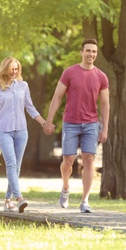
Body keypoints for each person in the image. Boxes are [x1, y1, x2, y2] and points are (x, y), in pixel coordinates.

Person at [43, 38, 110, 213]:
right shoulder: (69, 72)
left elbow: (105, 104)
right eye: (88, 51)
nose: (91, 54)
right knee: (68, 161)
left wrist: (106, 128)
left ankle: (85, 201)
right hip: (70, 123)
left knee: (89, 159)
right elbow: (57, 97)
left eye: (94, 51)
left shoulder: (101, 76)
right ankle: (65, 188)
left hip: (91, 124)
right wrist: (49, 120)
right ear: (81, 52)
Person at [0, 57, 48, 213]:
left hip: (21, 131)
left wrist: (44, 123)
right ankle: (19, 198)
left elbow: (30, 108)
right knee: (11, 164)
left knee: (16, 167)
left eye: (16, 69)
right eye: (11, 69)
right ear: (5, 70)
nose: (14, 72)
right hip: (4, 132)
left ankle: (8, 200)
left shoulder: (23, 86)